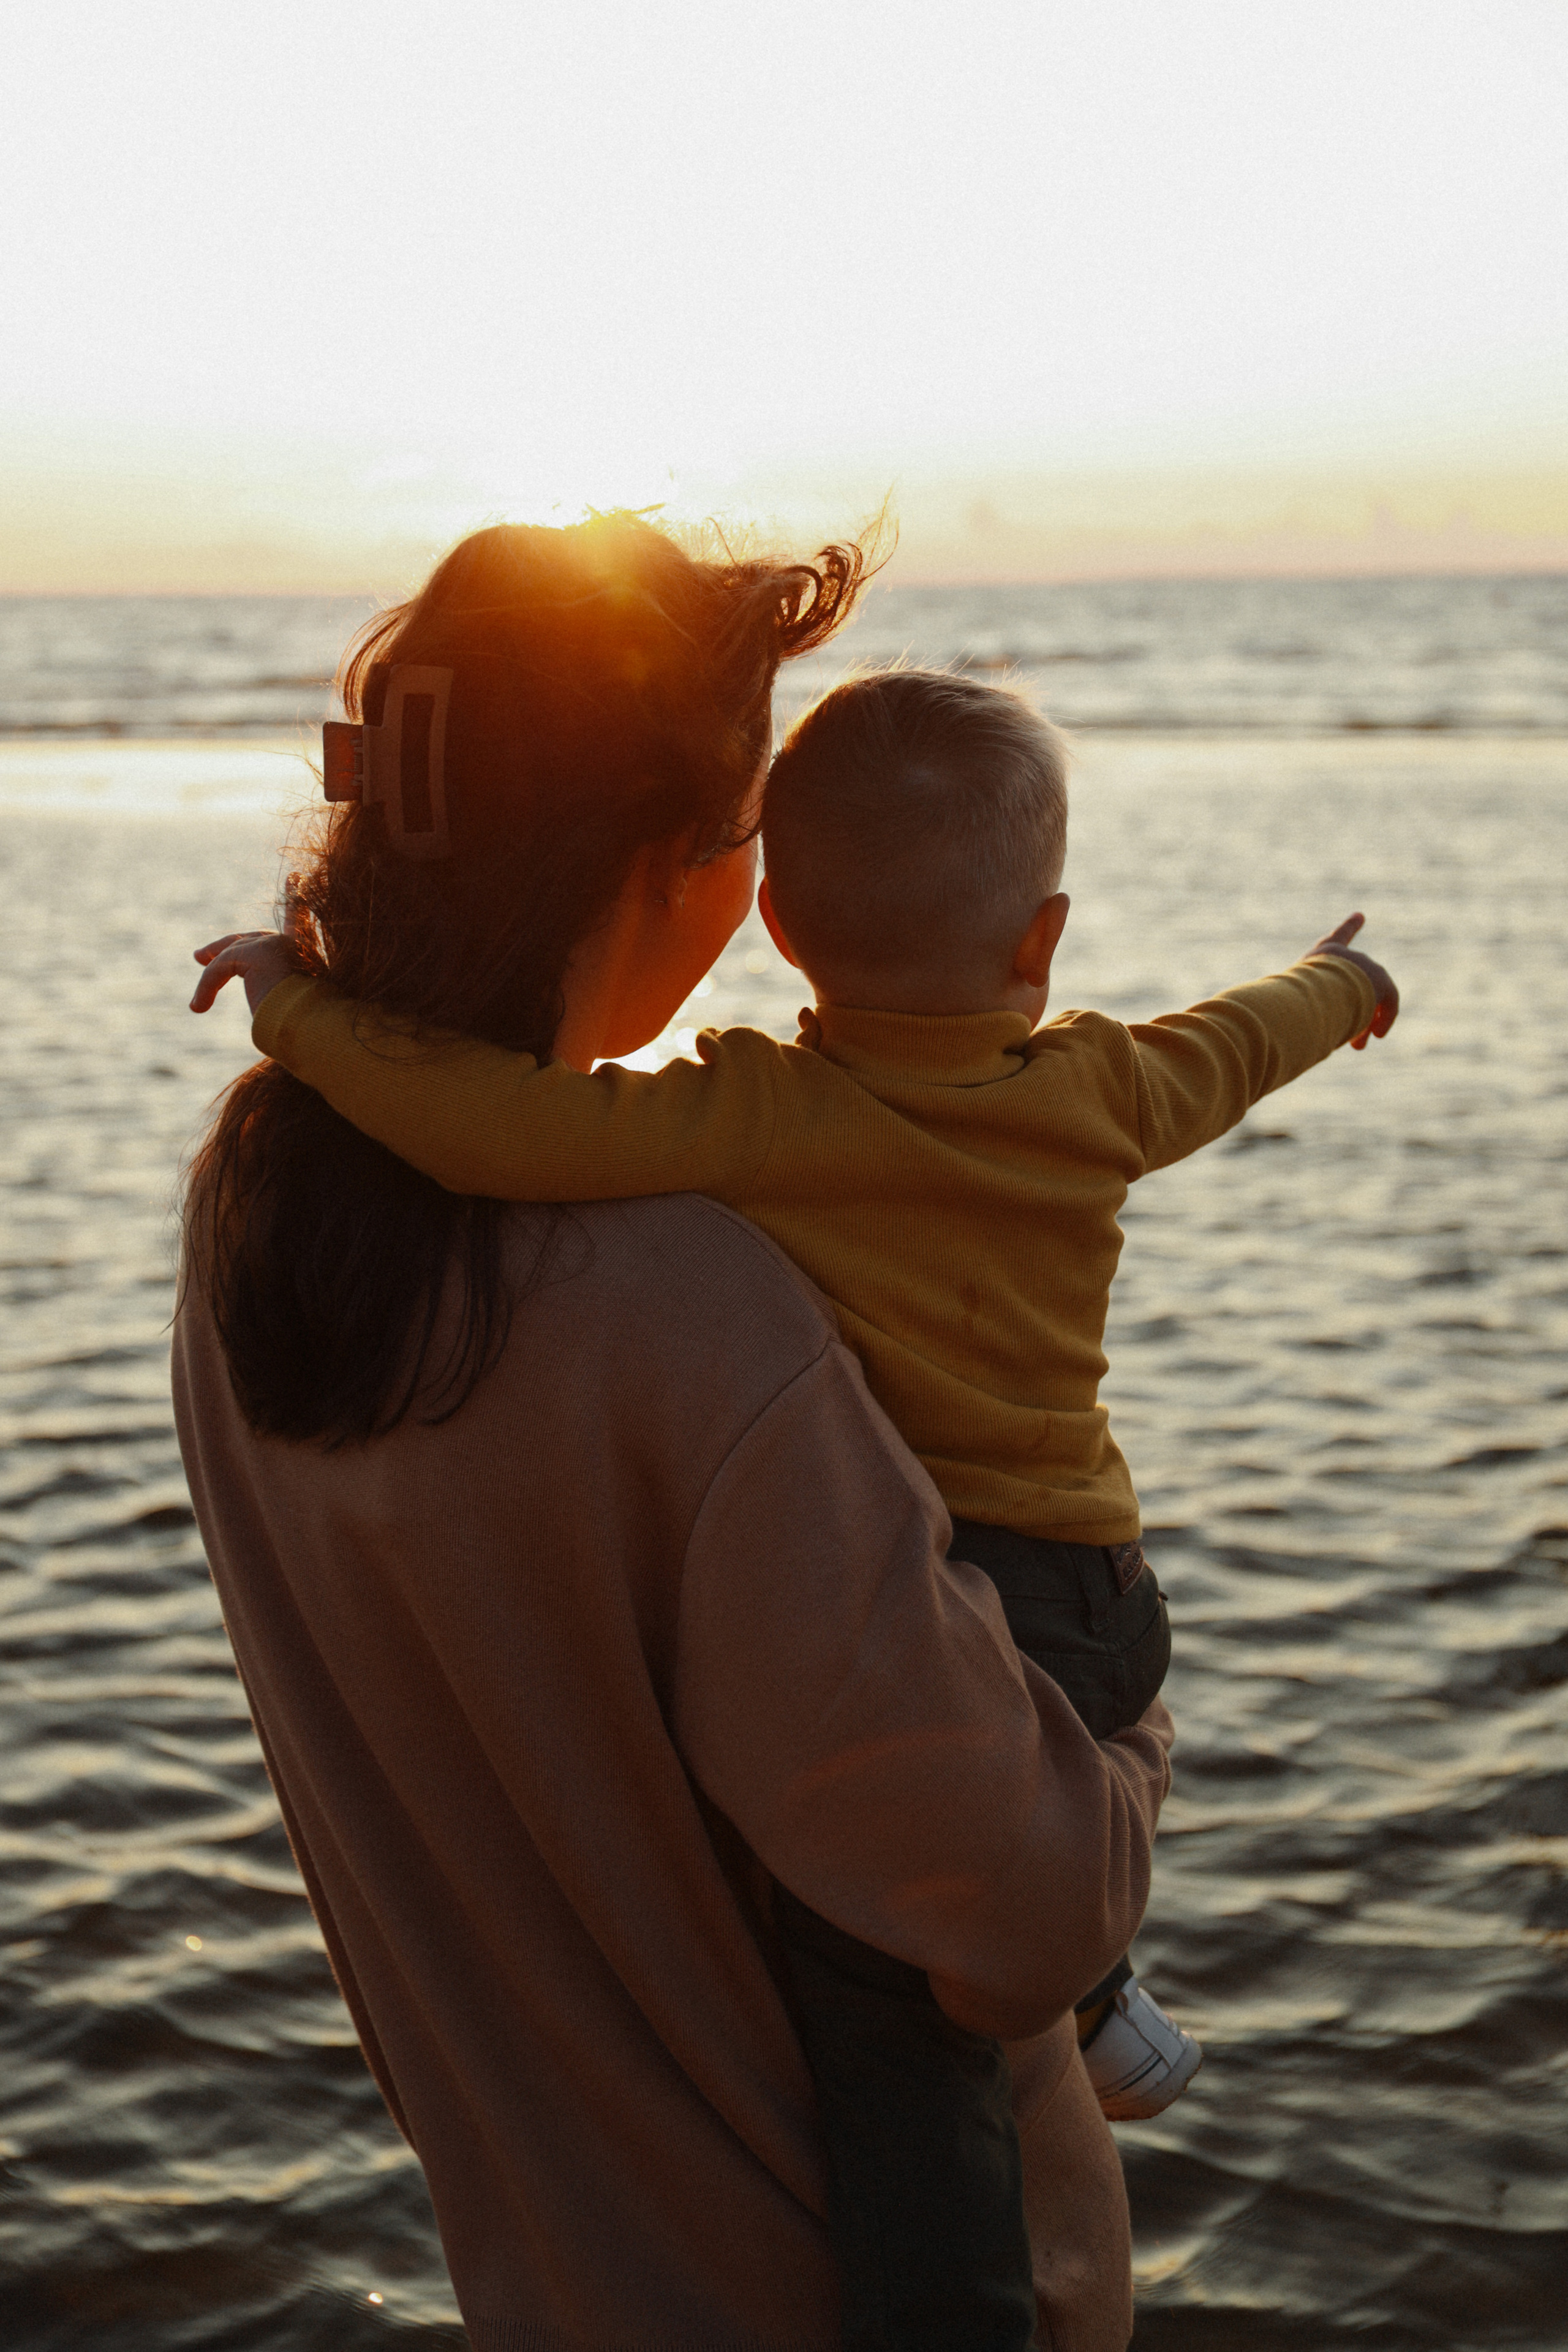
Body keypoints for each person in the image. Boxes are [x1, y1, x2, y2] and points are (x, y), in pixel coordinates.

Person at [205, 660, 1399, 2340]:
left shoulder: (711, 1130)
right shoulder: (1098, 1091)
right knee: (956, 1958)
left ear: (773, 915)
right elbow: (1241, 1039)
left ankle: (1057, 2092)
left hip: (577, 2222)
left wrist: (297, 1011)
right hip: (1091, 1596)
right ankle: (1075, 2059)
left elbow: (491, 1128)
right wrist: (1342, 981)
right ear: (1041, 940)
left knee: (893, 2014)